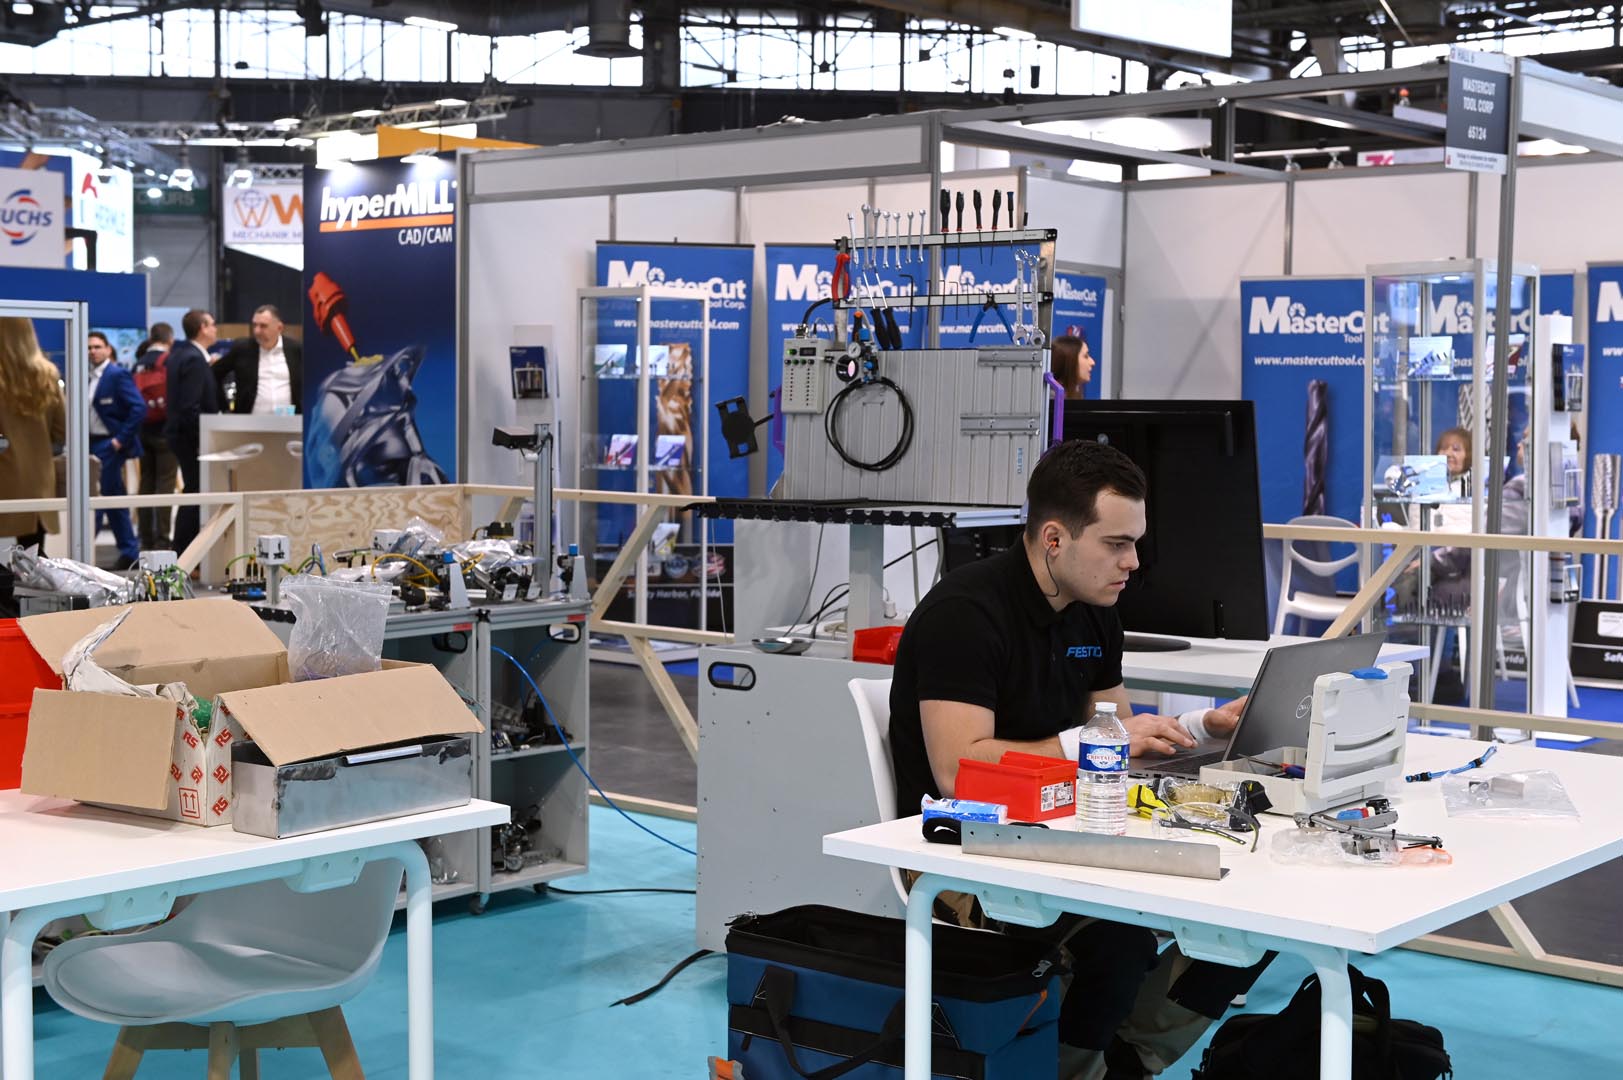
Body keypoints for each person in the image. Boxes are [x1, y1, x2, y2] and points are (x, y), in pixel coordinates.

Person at [888, 439, 1255, 1079]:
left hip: (1067, 826)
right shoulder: (965, 615)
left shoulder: (1094, 612)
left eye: (1135, 543)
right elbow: (959, 769)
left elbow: (1120, 737)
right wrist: (1090, 744)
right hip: (962, 849)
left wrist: (1203, 728)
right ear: (1054, 539)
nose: (1132, 562)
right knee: (1119, 942)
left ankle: (1123, 1063)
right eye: (1116, 544)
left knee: (1247, 927)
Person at [0, 317, 67, 552]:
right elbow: (61, 430)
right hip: (39, 479)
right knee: (32, 555)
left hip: (4, 477)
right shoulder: (48, 375)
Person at [85, 331, 146, 569]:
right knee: (112, 496)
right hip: (88, 443)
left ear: (108, 349)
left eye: (97, 346)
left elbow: (138, 408)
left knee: (97, 496)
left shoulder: (117, 374)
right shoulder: (85, 376)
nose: (93, 351)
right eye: (89, 347)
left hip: (108, 444)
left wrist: (119, 440)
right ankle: (129, 550)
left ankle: (83, 548)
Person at [165, 309, 219, 555]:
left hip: (180, 435)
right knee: (195, 493)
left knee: (192, 491)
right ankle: (184, 552)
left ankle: (182, 550)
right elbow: (190, 406)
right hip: (191, 438)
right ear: (202, 328)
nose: (215, 329)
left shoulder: (180, 355)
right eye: (212, 324)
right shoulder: (194, 359)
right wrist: (202, 441)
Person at [211, 304, 302, 415]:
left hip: (288, 419)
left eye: (263, 326)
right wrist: (223, 406)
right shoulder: (242, 349)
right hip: (250, 420)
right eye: (254, 325)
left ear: (279, 328)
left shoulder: (296, 349)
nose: (257, 331)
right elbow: (213, 374)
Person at [134, 323, 177, 550]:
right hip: (165, 431)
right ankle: (162, 539)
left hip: (143, 429)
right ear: (170, 339)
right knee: (165, 484)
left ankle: (145, 538)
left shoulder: (139, 362)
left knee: (146, 483)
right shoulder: (169, 360)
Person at [1050, 332, 1095, 400]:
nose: (1092, 362)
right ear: (1070, 360)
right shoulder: (1049, 400)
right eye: (1086, 356)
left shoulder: (1074, 394)